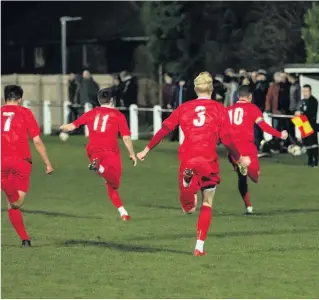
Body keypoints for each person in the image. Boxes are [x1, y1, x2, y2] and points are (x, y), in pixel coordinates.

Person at [136, 72, 251, 256]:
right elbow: (227, 139)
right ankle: (199, 246)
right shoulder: (219, 109)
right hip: (208, 159)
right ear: (212, 89)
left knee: (188, 209)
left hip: (188, 157)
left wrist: (146, 150)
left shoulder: (185, 107)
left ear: (196, 89)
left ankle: (188, 183)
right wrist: (239, 157)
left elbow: (165, 129)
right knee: (207, 202)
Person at [60, 88, 137, 220]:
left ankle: (123, 212)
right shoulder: (118, 115)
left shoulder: (91, 113)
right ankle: (99, 168)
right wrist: (132, 153)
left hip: (93, 151)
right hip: (110, 150)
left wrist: (62, 127)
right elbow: (125, 137)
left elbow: (72, 126)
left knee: (108, 181)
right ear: (112, 100)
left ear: (99, 100)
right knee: (115, 183)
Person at [1, 85, 54, 247]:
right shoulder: (25, 113)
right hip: (21, 162)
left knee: (11, 202)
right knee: (16, 203)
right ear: (20, 99)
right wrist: (47, 163)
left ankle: (25, 238)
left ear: (4, 98)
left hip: (2, 162)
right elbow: (37, 141)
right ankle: (24, 239)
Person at [228, 85, 288, 214]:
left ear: (238, 96)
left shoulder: (228, 110)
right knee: (255, 177)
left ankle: (248, 207)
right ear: (250, 97)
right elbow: (263, 126)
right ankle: (246, 167)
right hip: (247, 147)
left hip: (233, 149)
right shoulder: (252, 108)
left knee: (241, 178)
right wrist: (279, 134)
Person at [295, 85, 319, 167]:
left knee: (313, 144)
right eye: (303, 91)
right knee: (307, 144)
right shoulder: (302, 101)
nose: (304, 93)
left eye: (306, 91)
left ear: (310, 91)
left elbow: (310, 113)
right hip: (303, 123)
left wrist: (301, 113)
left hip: (311, 124)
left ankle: (315, 162)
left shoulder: (313, 101)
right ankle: (309, 162)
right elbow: (298, 111)